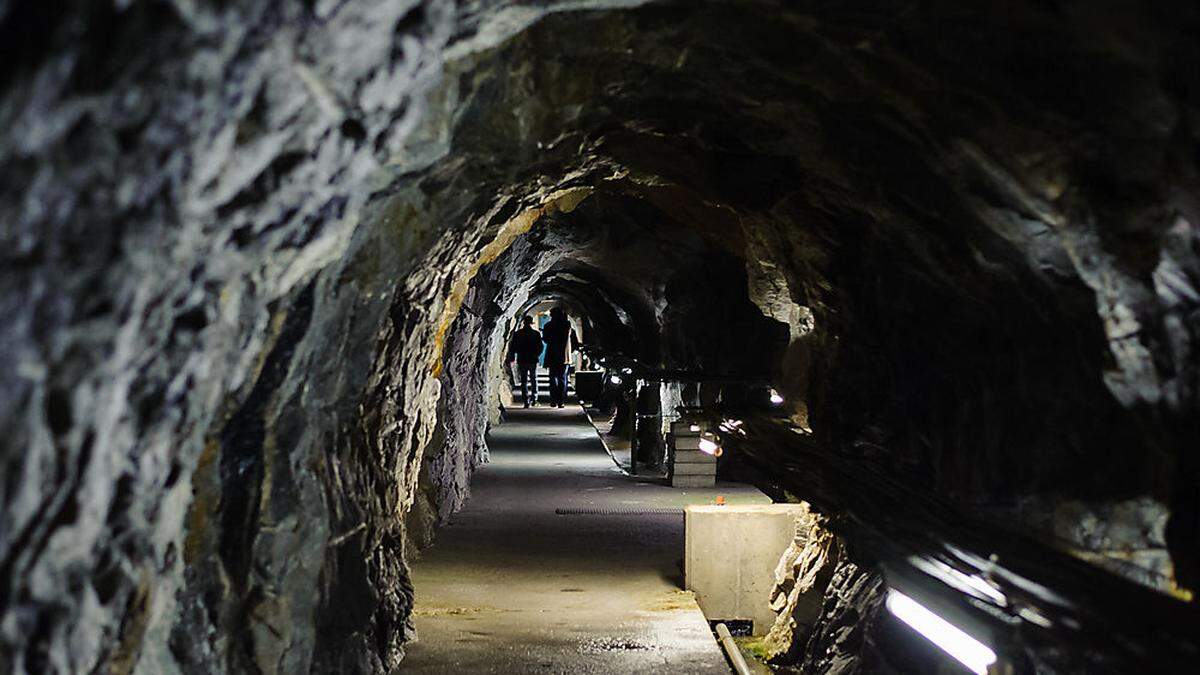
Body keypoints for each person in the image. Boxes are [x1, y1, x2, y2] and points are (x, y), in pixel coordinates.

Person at [541, 307, 579, 408]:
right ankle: (561, 400)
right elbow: (574, 341)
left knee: (552, 378)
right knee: (562, 378)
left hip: (552, 355)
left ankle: (553, 400)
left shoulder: (548, 325)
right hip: (564, 356)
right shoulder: (567, 325)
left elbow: (545, 339)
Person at [507, 316, 543, 407]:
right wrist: (536, 354)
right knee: (533, 379)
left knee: (524, 380)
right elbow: (540, 347)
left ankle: (526, 400)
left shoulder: (518, 333)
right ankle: (534, 399)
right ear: (531, 323)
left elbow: (513, 347)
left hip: (522, 359)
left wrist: (512, 357)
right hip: (532, 359)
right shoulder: (536, 334)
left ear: (523, 322)